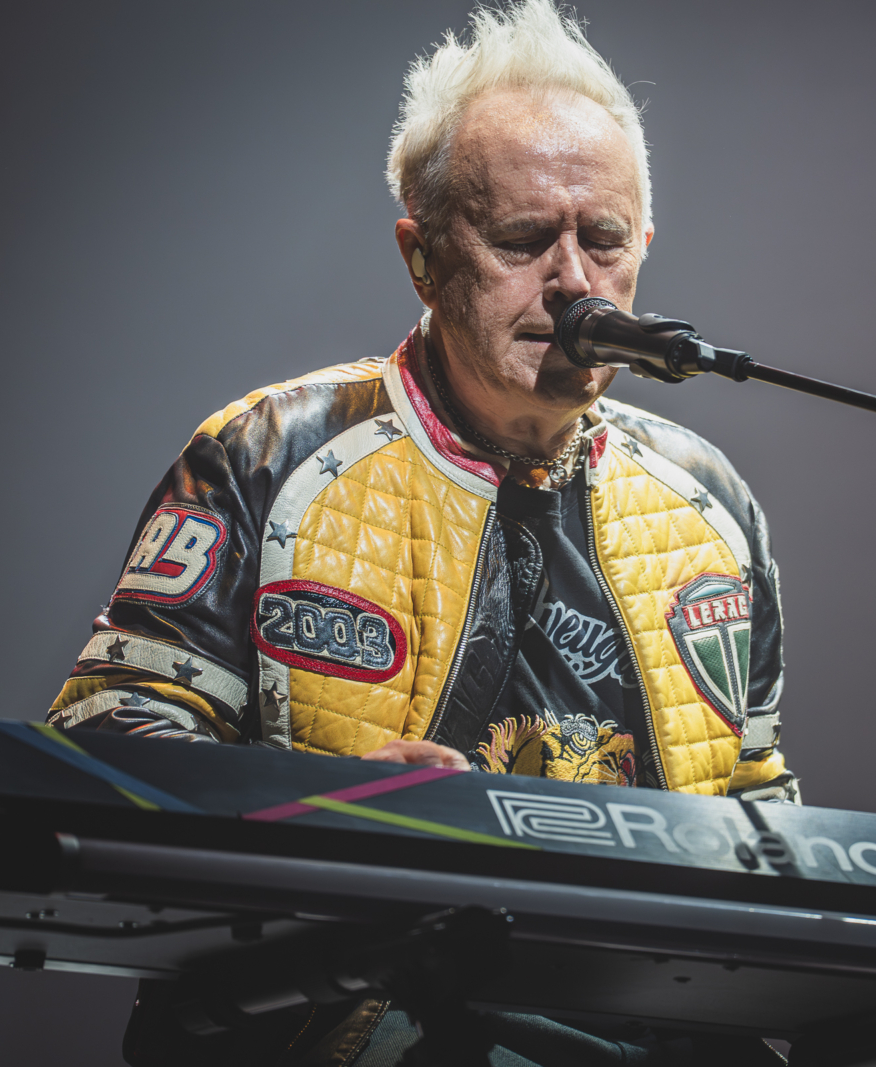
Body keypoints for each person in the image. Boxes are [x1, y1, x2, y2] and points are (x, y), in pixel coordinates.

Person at [52, 3, 794, 1062]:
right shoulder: (266, 453)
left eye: (605, 240)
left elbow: (767, 809)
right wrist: (333, 811)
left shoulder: (710, 501)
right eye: (525, 240)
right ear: (422, 255)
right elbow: (107, 740)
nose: (575, 283)